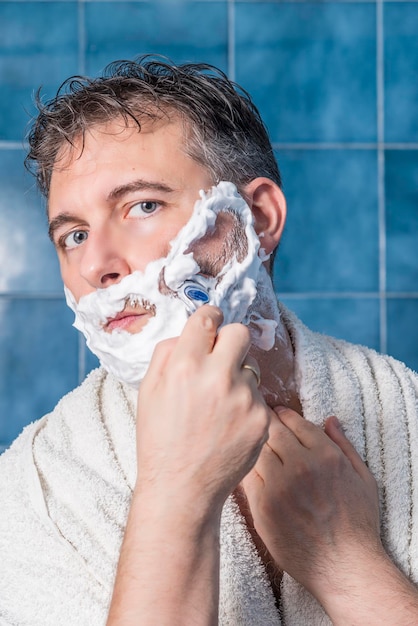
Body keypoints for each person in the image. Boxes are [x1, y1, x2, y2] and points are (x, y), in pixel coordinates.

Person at [1, 56, 418, 626]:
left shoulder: (407, 415)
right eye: (73, 235)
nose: (97, 263)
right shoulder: (39, 490)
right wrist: (176, 494)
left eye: (142, 206)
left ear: (258, 217)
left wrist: (347, 563)